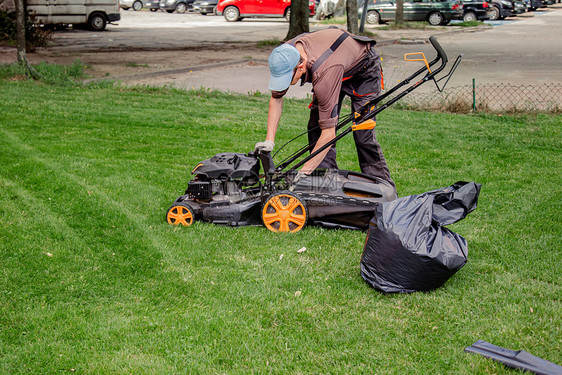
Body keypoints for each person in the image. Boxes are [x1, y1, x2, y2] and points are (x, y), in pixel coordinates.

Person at [254, 27, 396, 192]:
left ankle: (384, 191)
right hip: (336, 63)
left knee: (363, 133)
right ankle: (326, 184)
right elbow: (276, 98)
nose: (284, 83)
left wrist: (304, 173)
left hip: (363, 70)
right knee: (315, 127)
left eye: (287, 78)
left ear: (300, 67)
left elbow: (329, 134)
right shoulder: (284, 56)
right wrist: (269, 140)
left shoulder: (324, 72)